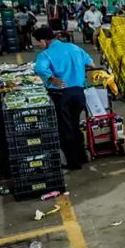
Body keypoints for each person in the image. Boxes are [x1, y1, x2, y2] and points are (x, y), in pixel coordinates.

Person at [33, 26, 96, 171]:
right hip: (79, 94)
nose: (38, 45)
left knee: (65, 129)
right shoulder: (74, 47)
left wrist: (51, 78)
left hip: (62, 95)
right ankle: (82, 157)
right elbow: (91, 63)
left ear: (44, 40)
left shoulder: (46, 54)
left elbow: (40, 69)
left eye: (38, 42)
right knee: (75, 124)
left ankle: (74, 163)